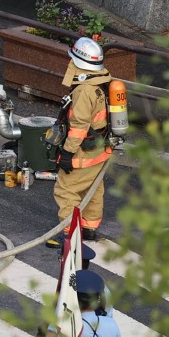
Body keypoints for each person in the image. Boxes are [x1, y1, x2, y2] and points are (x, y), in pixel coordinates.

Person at [47, 37, 113, 248]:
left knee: (66, 190)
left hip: (83, 152)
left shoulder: (84, 91)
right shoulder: (102, 81)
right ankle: (89, 229)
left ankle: (69, 234)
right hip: (100, 150)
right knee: (92, 190)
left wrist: (67, 153)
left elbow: (79, 126)